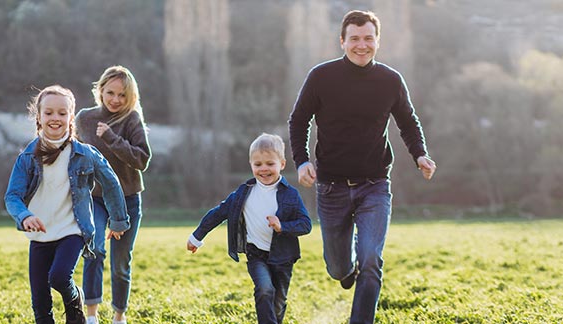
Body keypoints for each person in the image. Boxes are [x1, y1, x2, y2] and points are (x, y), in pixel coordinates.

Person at [288, 10, 437, 324]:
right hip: (331, 187)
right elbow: (299, 120)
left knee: (371, 260)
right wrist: (301, 161)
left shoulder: (390, 80)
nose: (361, 45)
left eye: (368, 38)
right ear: (342, 41)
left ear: (377, 41)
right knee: (338, 268)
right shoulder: (321, 77)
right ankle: (346, 268)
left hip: (374, 185)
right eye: (354, 38)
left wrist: (419, 154)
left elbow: (409, 123)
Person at [5, 85, 129, 324]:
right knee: (40, 304)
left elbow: (111, 184)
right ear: (39, 117)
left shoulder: (86, 154)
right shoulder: (27, 157)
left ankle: (75, 305)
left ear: (71, 117)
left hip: (73, 229)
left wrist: (118, 220)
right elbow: (12, 196)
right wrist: (24, 216)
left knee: (60, 277)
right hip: (40, 234)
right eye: (49, 113)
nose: (55, 118)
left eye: (62, 113)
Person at [187, 133, 312, 324]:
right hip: (256, 255)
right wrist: (197, 237)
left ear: (282, 164)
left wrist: (282, 226)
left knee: (278, 301)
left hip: (283, 258)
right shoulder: (243, 193)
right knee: (264, 289)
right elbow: (219, 213)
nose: (264, 169)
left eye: (270, 164)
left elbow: (306, 224)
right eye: (258, 164)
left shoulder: (290, 195)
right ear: (251, 164)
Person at [75, 65, 151, 324]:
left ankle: (119, 316)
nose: (115, 99)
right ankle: (92, 316)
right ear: (100, 90)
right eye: (110, 93)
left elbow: (142, 159)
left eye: (122, 95)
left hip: (128, 198)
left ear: (130, 97)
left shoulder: (131, 120)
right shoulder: (84, 118)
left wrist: (111, 139)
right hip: (95, 198)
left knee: (120, 262)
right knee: (94, 250)